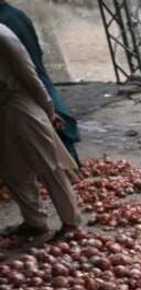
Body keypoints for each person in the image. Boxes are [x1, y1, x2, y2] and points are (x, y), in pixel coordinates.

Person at [0, 23, 81, 242]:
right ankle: (35, 222)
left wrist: (49, 109)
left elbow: (29, 75)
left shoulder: (4, 35)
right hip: (3, 110)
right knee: (13, 170)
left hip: (21, 105)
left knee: (49, 165)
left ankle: (70, 222)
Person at [0, 0, 80, 165]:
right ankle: (71, 165)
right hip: (34, 73)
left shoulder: (5, 22)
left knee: (50, 121)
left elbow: (22, 65)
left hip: (25, 80)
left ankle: (67, 166)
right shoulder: (16, 15)